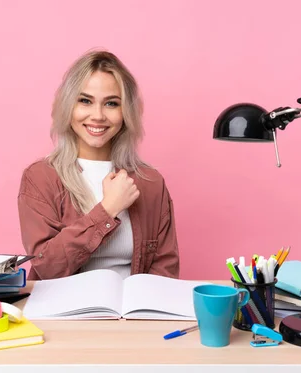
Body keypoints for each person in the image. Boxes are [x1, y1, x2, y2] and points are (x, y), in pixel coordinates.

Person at [17, 49, 179, 281]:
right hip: (65, 312)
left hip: (134, 312)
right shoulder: (40, 178)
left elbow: (165, 270)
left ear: (126, 112)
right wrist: (108, 210)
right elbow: (47, 267)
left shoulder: (149, 181)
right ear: (68, 106)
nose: (98, 115)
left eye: (111, 104)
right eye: (85, 101)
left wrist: (141, 312)